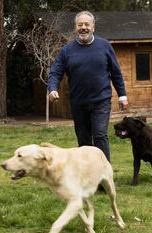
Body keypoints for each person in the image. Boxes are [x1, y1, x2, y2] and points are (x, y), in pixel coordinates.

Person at [48, 11, 128, 163]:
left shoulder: (104, 46)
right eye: (80, 25)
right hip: (78, 103)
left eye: (87, 24)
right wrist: (52, 89)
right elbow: (55, 72)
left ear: (93, 27)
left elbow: (116, 73)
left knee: (99, 135)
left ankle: (105, 175)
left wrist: (122, 96)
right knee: (84, 140)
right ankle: (88, 175)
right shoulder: (67, 50)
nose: (83, 27)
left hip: (101, 101)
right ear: (75, 28)